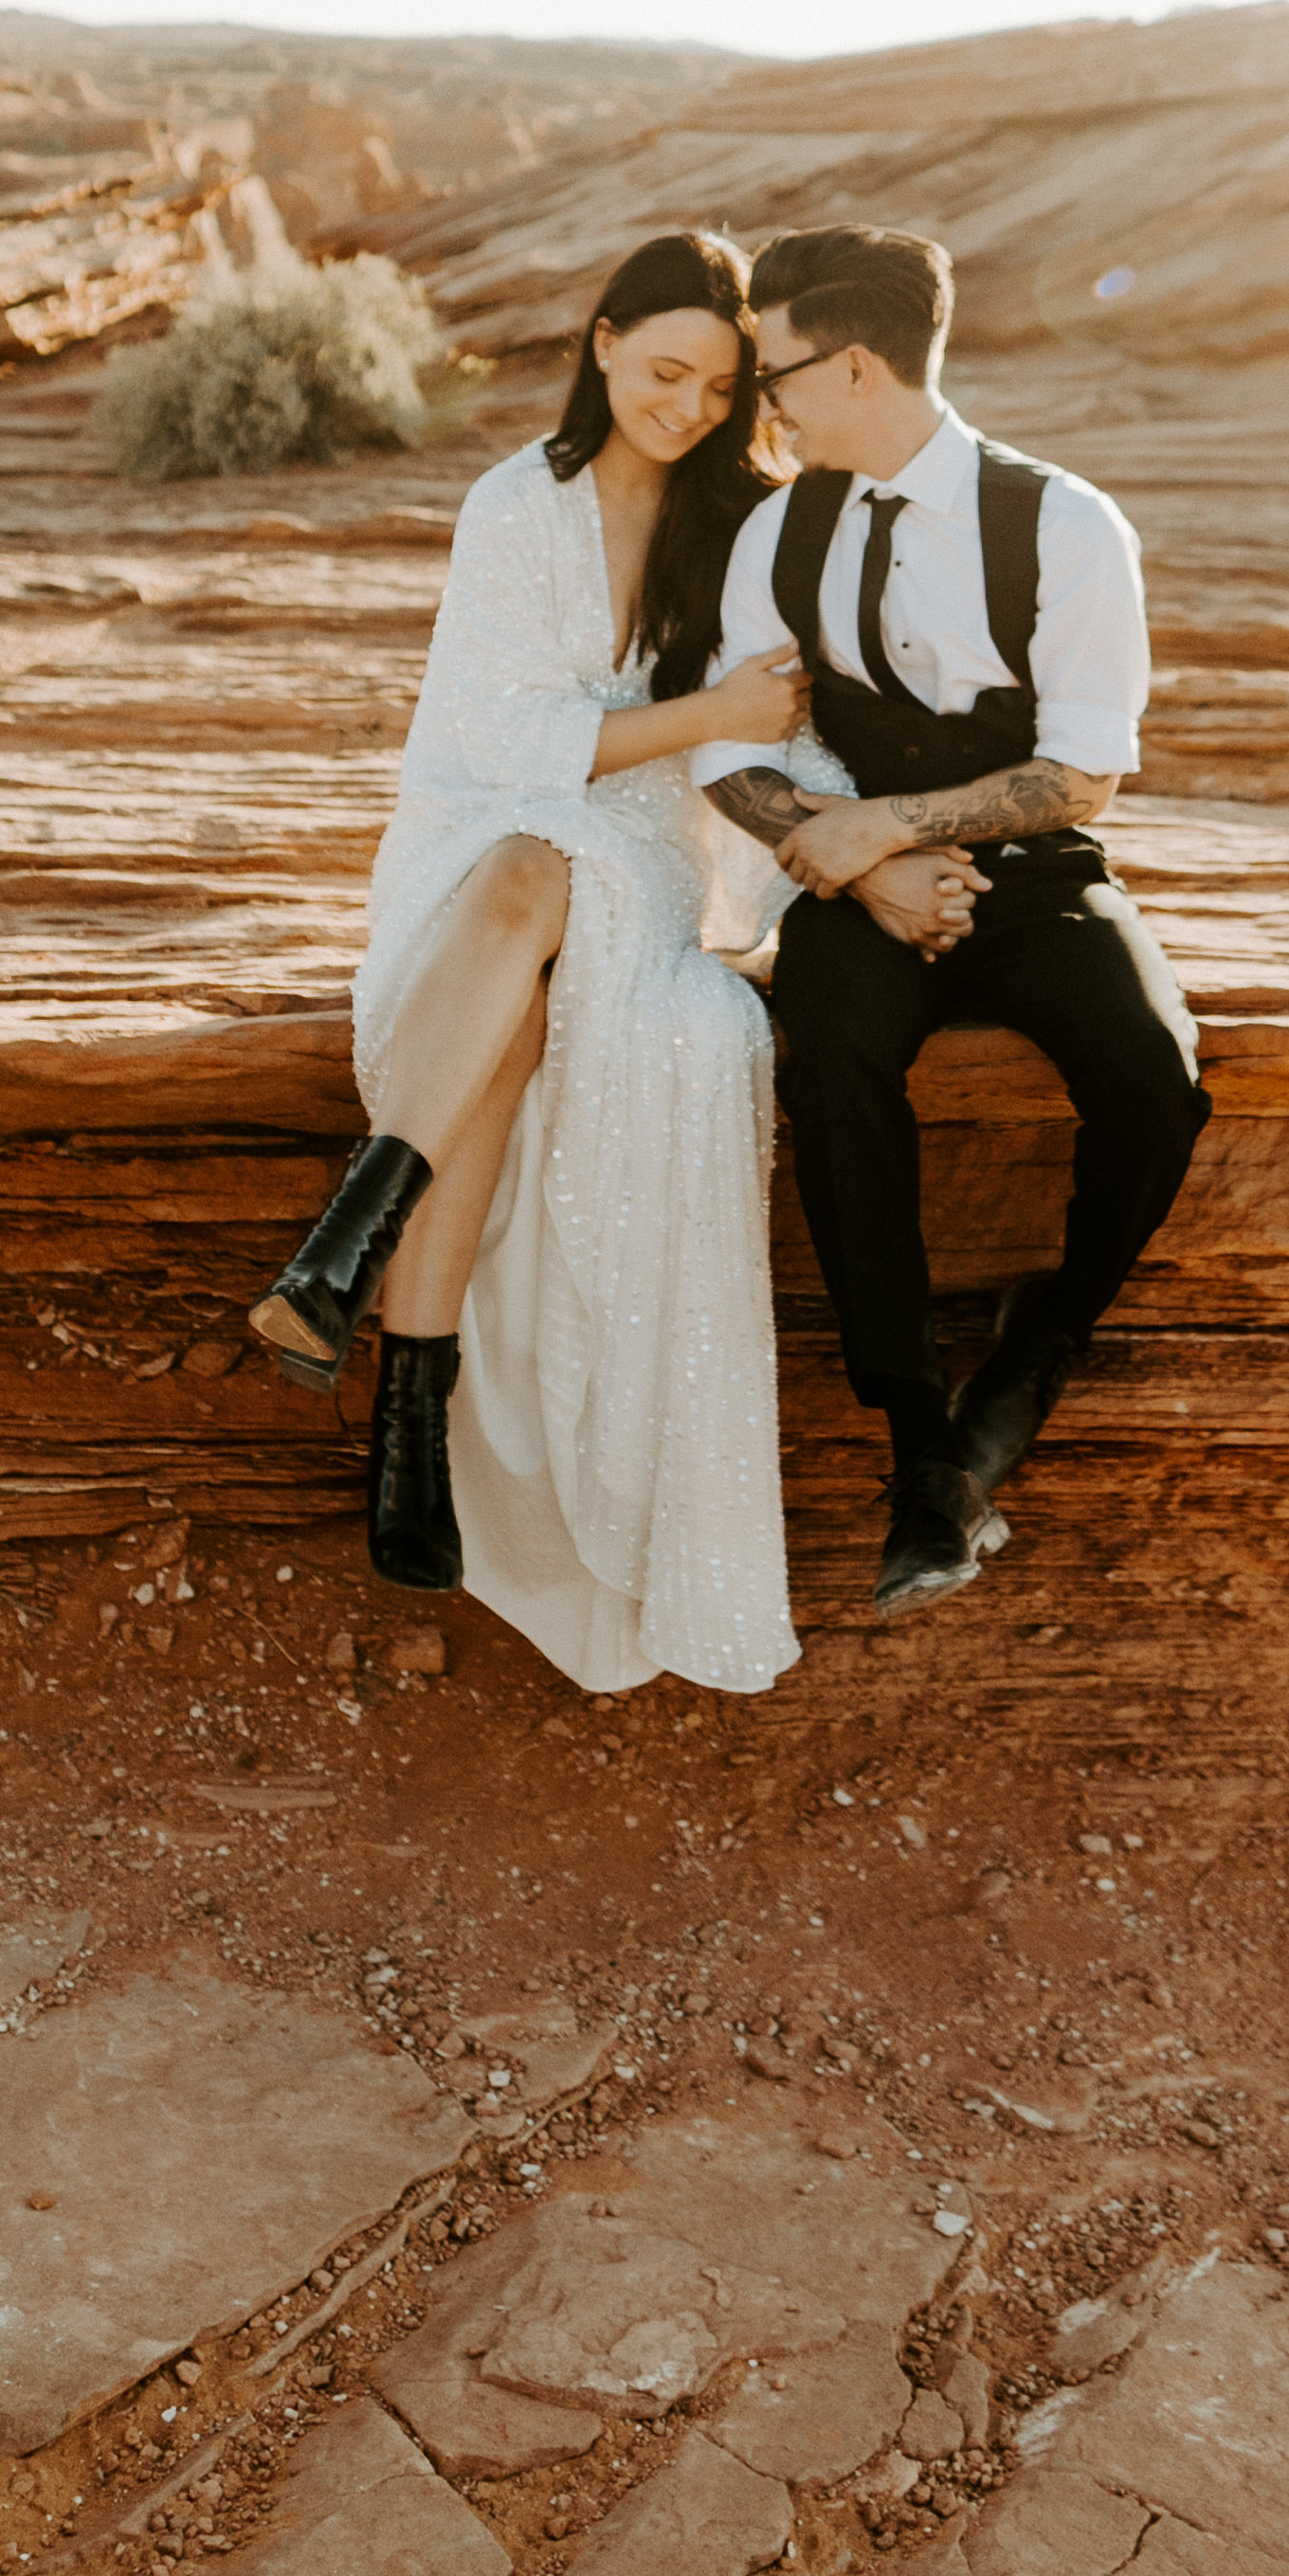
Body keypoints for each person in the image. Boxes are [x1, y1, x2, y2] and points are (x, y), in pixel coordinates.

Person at [245, 229, 816, 1695]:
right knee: (508, 952)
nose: (685, 405)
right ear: (605, 340)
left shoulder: (746, 525)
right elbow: (501, 745)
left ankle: (346, 1268)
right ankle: (400, 1408)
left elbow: (771, 735)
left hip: (627, 844)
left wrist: (774, 789)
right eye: (664, 369)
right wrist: (705, 711)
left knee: (547, 883)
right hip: (473, 828)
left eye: (716, 386)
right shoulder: (517, 503)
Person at [690, 221, 1209, 1619]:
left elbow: (1084, 770)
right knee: (831, 1048)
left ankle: (1037, 1353)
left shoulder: (1066, 524)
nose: (766, 404)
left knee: (1155, 1073)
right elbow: (726, 753)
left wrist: (908, 828)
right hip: (854, 874)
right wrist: (852, 862)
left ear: (856, 363)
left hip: (1032, 868)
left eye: (777, 371)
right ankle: (922, 1434)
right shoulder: (778, 528)